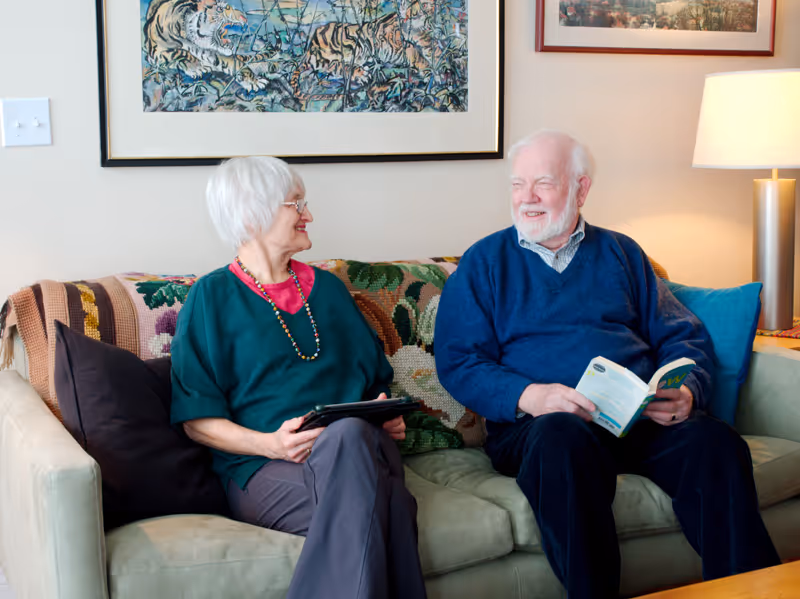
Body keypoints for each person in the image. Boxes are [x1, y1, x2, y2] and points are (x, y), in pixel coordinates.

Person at [434, 130, 780, 598]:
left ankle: (752, 592)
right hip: (541, 428)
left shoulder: (622, 252)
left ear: (581, 189)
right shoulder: (484, 263)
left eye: (543, 183)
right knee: (562, 439)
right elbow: (459, 360)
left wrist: (686, 391)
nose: (527, 197)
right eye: (517, 184)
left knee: (715, 443)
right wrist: (531, 396)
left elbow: (682, 334)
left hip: (635, 419)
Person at [171, 156, 427, 599]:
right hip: (265, 467)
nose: (309, 214)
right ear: (252, 216)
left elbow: (374, 383)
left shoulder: (329, 289)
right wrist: (270, 444)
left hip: (360, 449)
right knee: (392, 504)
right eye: (296, 204)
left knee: (350, 435)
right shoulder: (210, 297)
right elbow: (197, 420)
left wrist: (385, 413)